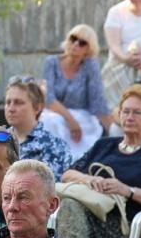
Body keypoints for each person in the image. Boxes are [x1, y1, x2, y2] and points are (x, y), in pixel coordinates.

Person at [61, 85, 141, 223]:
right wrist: (90, 179)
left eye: (138, 113)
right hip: (91, 215)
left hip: (129, 226)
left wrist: (128, 191)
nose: (129, 117)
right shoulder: (103, 145)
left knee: (71, 211)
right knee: (69, 206)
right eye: (125, 111)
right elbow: (67, 175)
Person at [42, 24, 107, 159]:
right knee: (51, 122)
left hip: (82, 116)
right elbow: (49, 99)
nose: (76, 44)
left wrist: (115, 127)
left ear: (89, 49)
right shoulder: (51, 62)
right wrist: (71, 121)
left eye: (82, 43)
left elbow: (98, 101)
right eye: (73, 39)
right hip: (55, 113)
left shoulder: (91, 65)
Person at [3, 76, 69, 177]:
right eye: (8, 102)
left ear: (37, 107)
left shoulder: (53, 146)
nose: (11, 108)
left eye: (18, 103)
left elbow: (49, 189)